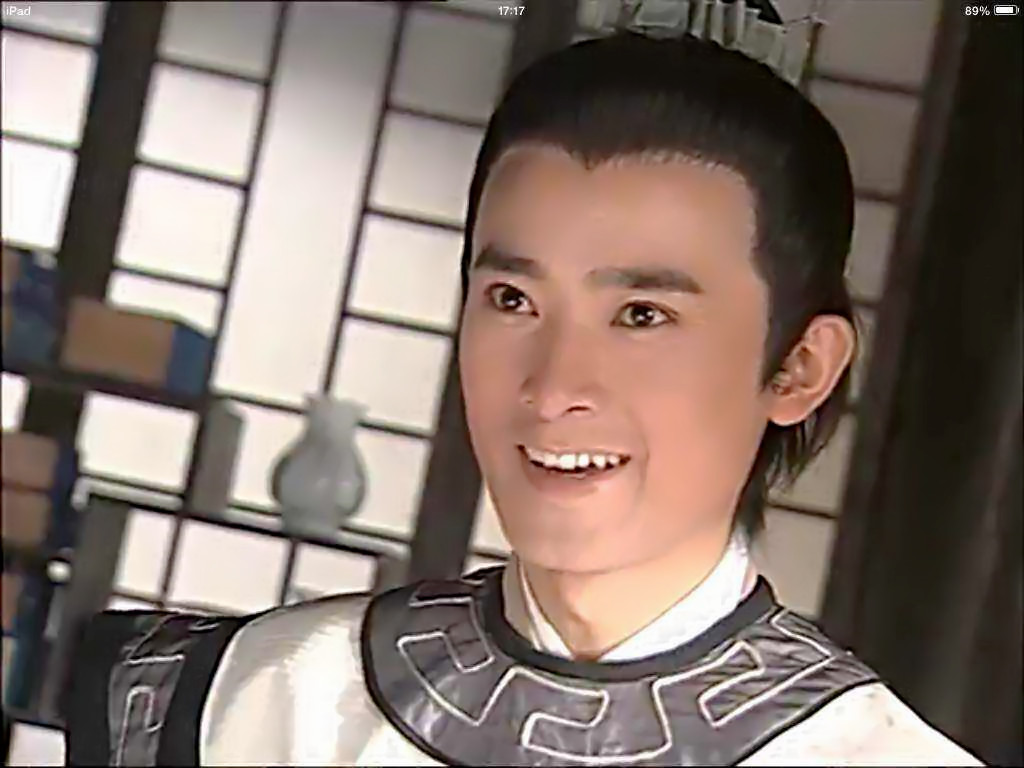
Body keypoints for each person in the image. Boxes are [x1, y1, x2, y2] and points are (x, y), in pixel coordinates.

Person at [64, 1, 983, 765]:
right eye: (513, 299)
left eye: (642, 315)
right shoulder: (248, 706)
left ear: (798, 368)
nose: (553, 388)